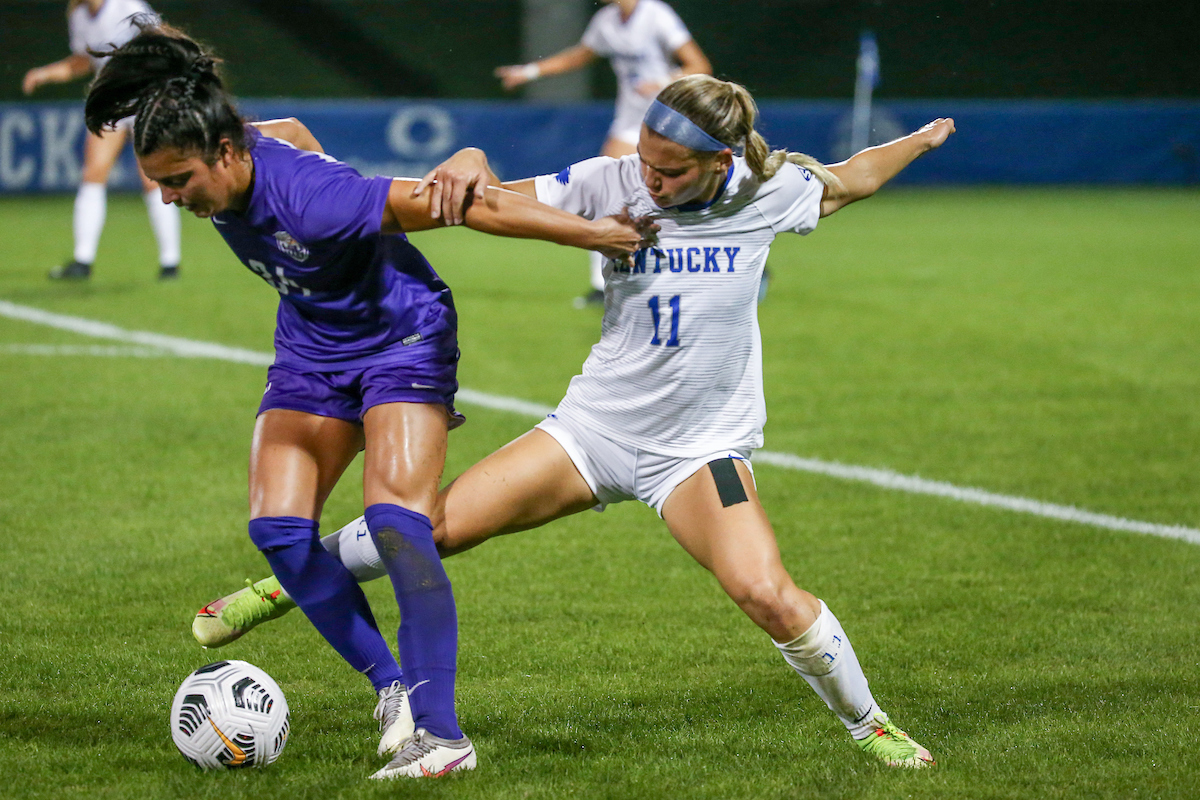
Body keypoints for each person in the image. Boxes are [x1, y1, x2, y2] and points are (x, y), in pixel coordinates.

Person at [195, 74, 955, 768]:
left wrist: (918, 142)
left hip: (697, 451)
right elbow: (489, 198)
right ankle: (284, 585)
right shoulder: (608, 181)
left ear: (720, 160)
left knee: (766, 594)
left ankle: (870, 725)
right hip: (591, 432)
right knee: (425, 528)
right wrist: (469, 155)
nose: (649, 181)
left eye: (670, 171)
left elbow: (852, 179)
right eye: (644, 162)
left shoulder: (772, 190)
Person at [85, 19, 646, 780]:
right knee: (279, 532)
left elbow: (465, 205)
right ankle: (393, 691)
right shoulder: (236, 147)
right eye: (159, 182)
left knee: (397, 524)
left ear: (225, 154)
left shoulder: (317, 200)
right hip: (312, 347)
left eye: (178, 180)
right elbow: (286, 128)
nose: (169, 195)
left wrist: (594, 236)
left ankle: (443, 739)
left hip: (401, 337)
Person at [496, 0, 711, 307]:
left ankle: (734, 258)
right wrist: (530, 71)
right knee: (606, 190)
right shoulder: (607, 20)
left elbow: (699, 66)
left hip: (668, 117)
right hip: (630, 119)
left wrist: (662, 81)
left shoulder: (656, 14)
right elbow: (580, 55)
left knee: (686, 195)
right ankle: (602, 284)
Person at [22, 0, 181, 281]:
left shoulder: (127, 6)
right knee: (93, 173)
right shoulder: (79, 15)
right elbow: (83, 62)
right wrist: (44, 73)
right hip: (112, 100)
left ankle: (170, 262)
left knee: (152, 177)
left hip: (147, 98)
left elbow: (167, 44)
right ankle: (83, 260)